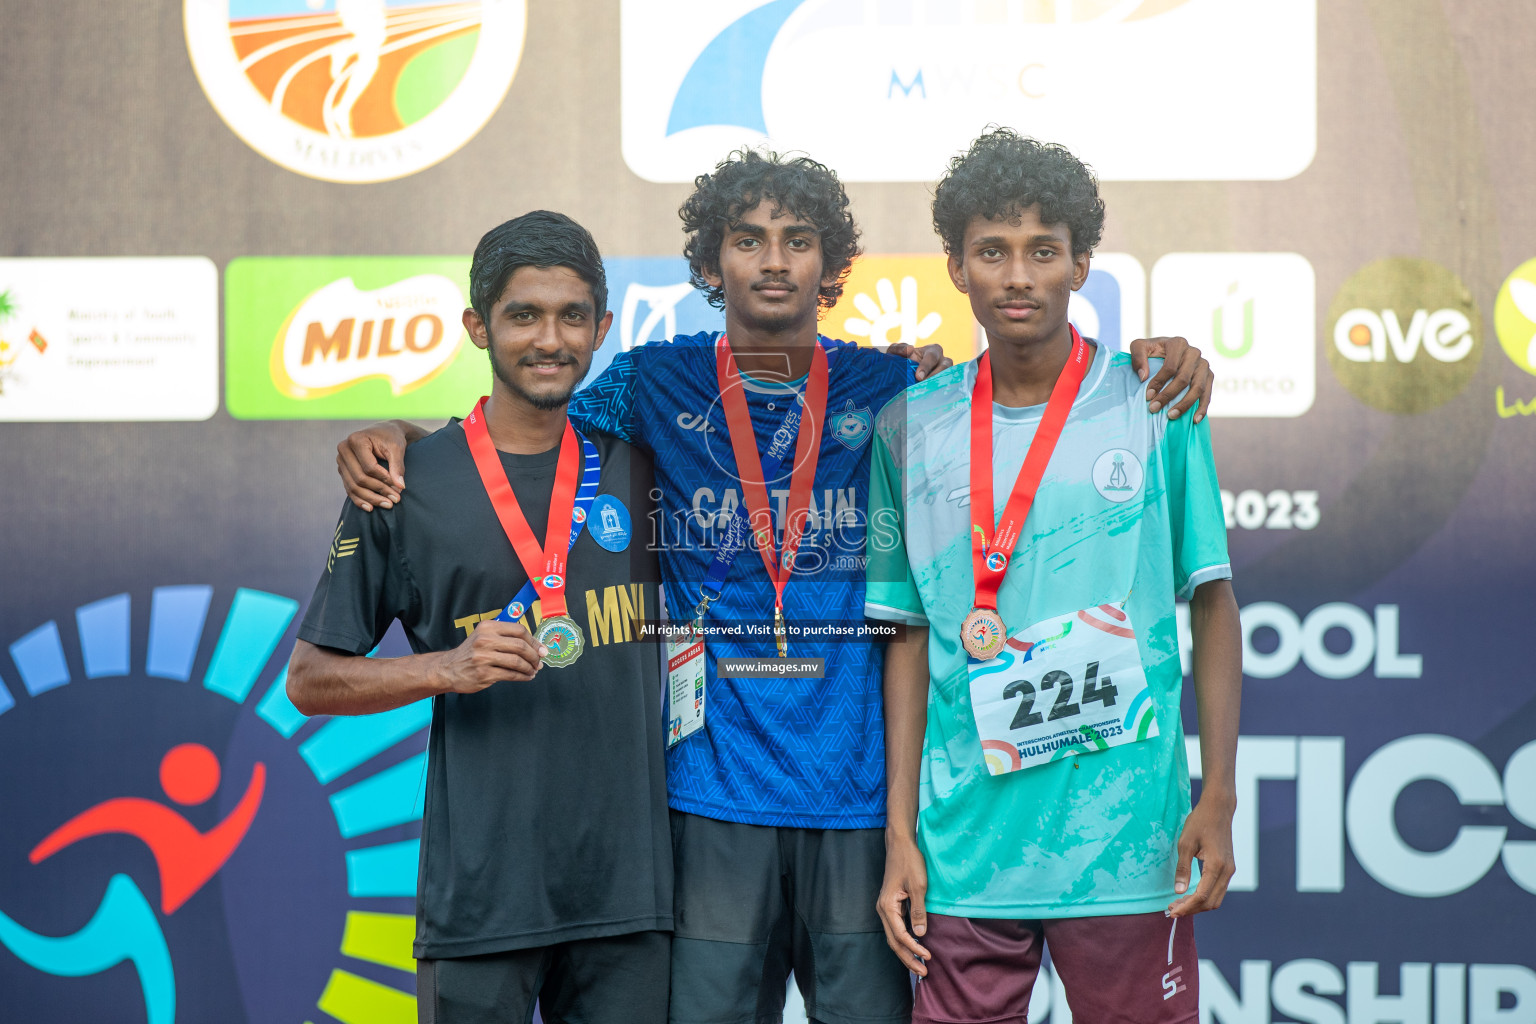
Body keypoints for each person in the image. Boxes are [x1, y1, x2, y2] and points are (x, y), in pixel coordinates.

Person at [333, 150, 1216, 1024]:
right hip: (711, 797)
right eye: (748, 239)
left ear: (831, 265)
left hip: (861, 798)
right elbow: (523, 429)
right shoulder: (650, 383)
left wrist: (1154, 360)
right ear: (711, 262)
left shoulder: (898, 387)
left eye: (798, 240)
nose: (773, 259)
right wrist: (405, 433)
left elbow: (1015, 394)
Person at [866, 129, 1243, 1024]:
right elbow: (909, 637)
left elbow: (1215, 599)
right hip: (964, 848)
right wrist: (899, 837)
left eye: (1044, 250)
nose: (1019, 276)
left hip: (1125, 844)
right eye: (992, 251)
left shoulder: (1157, 403)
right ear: (956, 268)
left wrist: (1218, 794)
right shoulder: (907, 426)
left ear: (1082, 264)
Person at [286, 211, 671, 1024]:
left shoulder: (645, 468)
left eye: (572, 316)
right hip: (482, 901)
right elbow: (310, 680)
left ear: (602, 327)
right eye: (523, 315)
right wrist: (445, 669)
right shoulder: (403, 484)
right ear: (477, 326)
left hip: (632, 898)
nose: (549, 338)